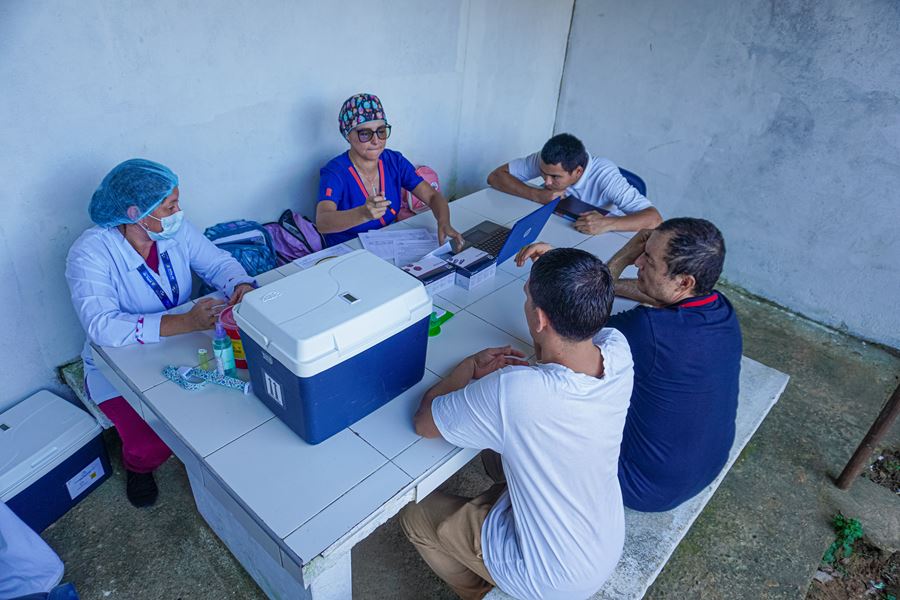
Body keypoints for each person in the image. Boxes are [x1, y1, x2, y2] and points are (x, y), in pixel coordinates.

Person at [401, 248, 634, 600]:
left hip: (551, 577)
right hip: (602, 540)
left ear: (540, 319)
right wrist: (572, 274)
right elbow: (558, 351)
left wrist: (464, 370)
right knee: (496, 452)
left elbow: (424, 423)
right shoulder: (618, 349)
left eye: (527, 298)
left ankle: (482, 590)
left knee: (415, 517)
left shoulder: (516, 392)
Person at [65, 159, 256, 508]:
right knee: (151, 443)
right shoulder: (90, 252)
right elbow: (101, 325)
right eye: (170, 206)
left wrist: (239, 283)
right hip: (118, 364)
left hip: (185, 343)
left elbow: (217, 262)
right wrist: (184, 323)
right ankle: (138, 468)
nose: (179, 211)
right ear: (137, 212)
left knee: (228, 404)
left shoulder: (172, 231)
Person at [517, 217, 742, 513]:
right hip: (702, 468)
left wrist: (553, 284)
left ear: (684, 282)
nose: (638, 261)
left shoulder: (648, 330)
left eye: (648, 259)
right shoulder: (720, 308)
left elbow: (567, 331)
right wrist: (582, 279)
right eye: (641, 252)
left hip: (641, 485)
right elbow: (646, 294)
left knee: (522, 419)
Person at [315, 93, 464, 247]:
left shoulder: (394, 161)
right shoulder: (335, 172)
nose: (376, 140)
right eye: (365, 133)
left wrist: (444, 222)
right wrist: (362, 214)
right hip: (347, 250)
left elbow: (432, 196)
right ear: (348, 135)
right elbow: (323, 221)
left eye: (381, 131)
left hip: (387, 246)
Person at [487, 133, 662, 234]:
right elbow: (495, 177)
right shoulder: (545, 160)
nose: (546, 182)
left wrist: (608, 224)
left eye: (555, 177)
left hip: (595, 238)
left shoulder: (605, 175)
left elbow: (654, 219)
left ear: (578, 171)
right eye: (543, 173)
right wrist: (535, 194)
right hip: (554, 228)